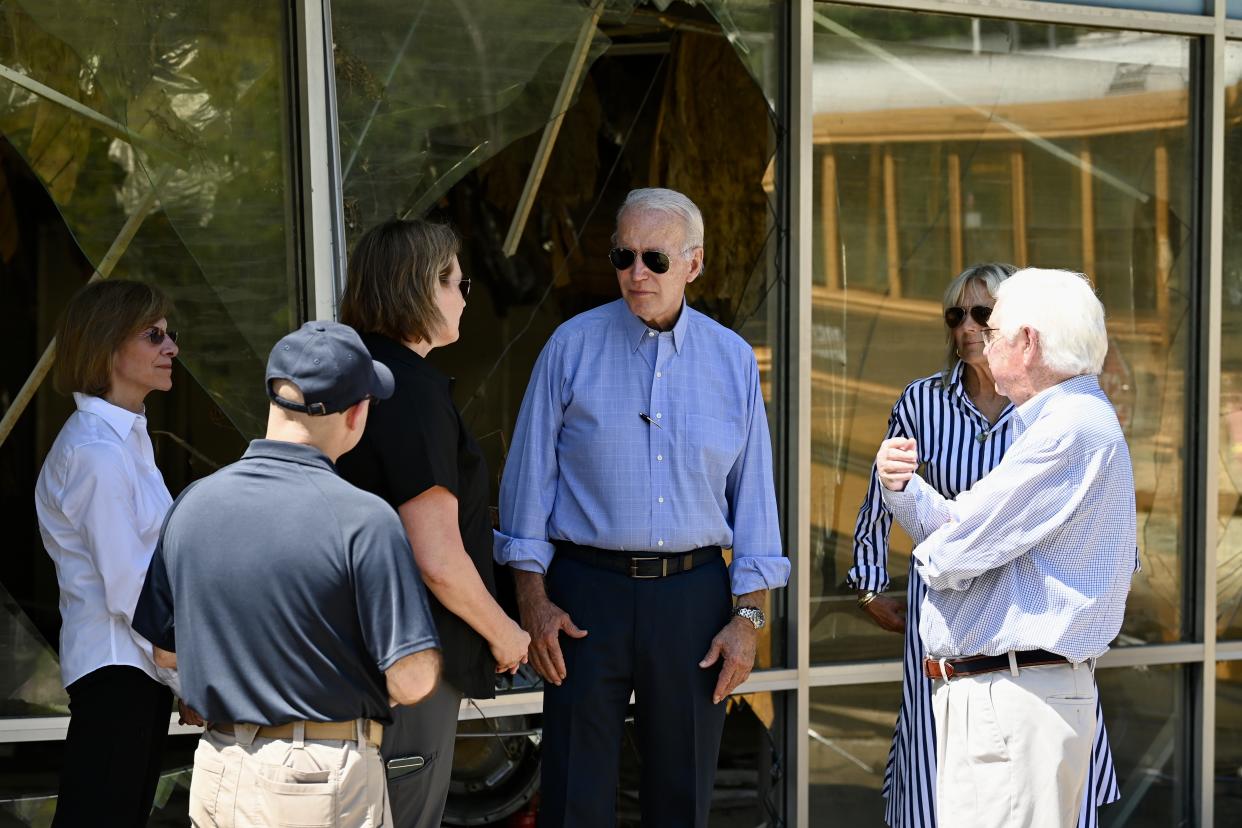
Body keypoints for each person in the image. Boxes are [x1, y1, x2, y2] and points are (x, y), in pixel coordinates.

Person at [494, 187, 789, 827]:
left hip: (691, 598)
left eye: (654, 259)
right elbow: (525, 493)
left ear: (694, 264)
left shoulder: (733, 360)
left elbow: (756, 506)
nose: (636, 273)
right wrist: (533, 603)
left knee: (680, 799)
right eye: (623, 256)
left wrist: (750, 621)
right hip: (583, 595)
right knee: (574, 796)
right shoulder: (569, 348)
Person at [132, 321, 442, 827]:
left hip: (219, 766)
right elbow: (411, 677)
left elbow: (165, 651)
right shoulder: (363, 519)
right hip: (320, 778)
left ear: (275, 399)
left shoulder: (192, 504)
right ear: (358, 413)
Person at [850, 263, 1121, 828]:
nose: (976, 335)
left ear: (1027, 342)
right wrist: (903, 492)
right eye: (962, 318)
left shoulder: (1065, 426)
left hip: (1018, 691)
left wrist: (934, 557)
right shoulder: (1059, 416)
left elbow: (956, 552)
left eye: (991, 325)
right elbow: (963, 526)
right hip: (999, 688)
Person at [335, 218, 530, 827]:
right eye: (454, 280)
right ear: (414, 287)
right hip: (407, 664)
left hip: (352, 654)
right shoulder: (409, 393)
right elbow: (436, 556)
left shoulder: (351, 377)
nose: (465, 295)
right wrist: (505, 633)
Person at [34, 279, 189, 827]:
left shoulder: (124, 441)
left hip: (133, 669)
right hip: (117, 670)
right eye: (153, 336)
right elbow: (131, 587)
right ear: (106, 347)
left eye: (169, 335)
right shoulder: (97, 451)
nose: (171, 348)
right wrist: (186, 677)